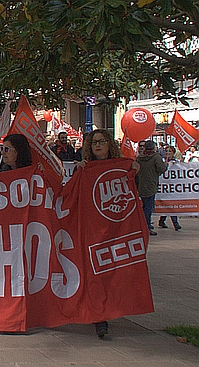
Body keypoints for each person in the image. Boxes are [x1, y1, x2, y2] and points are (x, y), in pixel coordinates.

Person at [74, 129, 141, 339]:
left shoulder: (123, 166)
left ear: (109, 143)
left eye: (102, 141)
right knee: (95, 273)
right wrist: (79, 172)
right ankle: (99, 318)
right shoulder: (85, 168)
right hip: (94, 230)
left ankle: (109, 309)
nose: (97, 145)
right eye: (94, 142)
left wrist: (135, 171)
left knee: (113, 273)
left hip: (117, 229)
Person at [135, 140, 167, 236]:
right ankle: (146, 227)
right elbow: (161, 168)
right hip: (151, 184)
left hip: (141, 184)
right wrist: (165, 166)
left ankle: (143, 225)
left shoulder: (139, 158)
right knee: (149, 207)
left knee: (144, 206)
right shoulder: (155, 157)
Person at [158, 145, 181, 231]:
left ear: (173, 153)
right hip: (163, 186)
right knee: (165, 204)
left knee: (170, 204)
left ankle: (174, 222)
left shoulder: (177, 162)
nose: (167, 153)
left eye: (169, 151)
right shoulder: (161, 161)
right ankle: (167, 221)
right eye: (166, 151)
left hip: (172, 186)